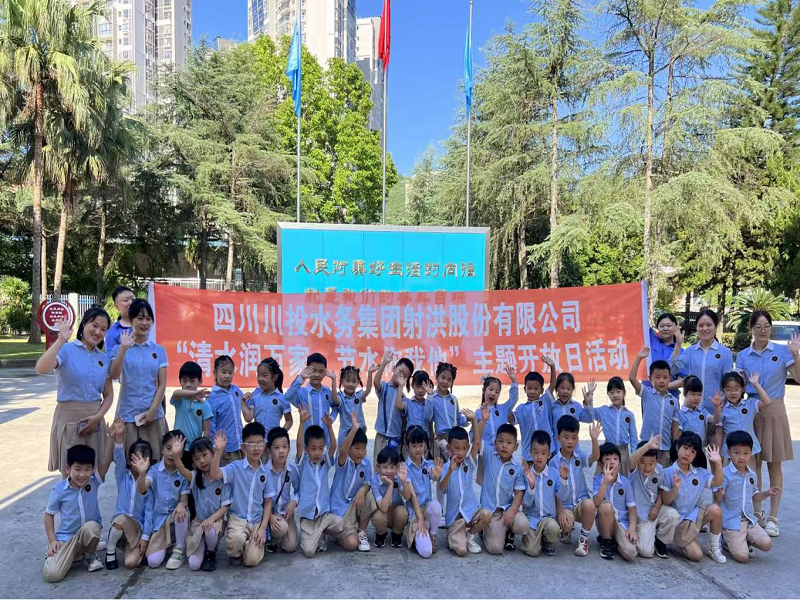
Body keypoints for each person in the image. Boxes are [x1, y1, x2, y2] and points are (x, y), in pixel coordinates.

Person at [735, 309, 799, 536]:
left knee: (774, 463)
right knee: (753, 464)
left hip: (775, 411)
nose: (762, 331)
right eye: (758, 327)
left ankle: (773, 517)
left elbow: (798, 377)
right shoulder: (743, 355)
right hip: (752, 411)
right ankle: (757, 512)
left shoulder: (782, 351)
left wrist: (796, 354)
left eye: (766, 326)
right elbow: (738, 386)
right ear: (751, 329)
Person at [37, 307, 113, 474]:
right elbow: (41, 368)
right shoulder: (66, 350)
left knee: (94, 474)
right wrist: (60, 340)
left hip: (95, 423)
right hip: (69, 422)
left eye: (103, 329)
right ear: (84, 324)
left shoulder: (103, 358)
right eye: (94, 325)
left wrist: (98, 417)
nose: (98, 332)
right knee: (71, 475)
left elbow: (108, 395)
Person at [109, 299, 169, 461]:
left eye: (148, 319)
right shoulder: (119, 348)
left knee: (156, 461)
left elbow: (162, 384)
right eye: (140, 318)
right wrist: (123, 349)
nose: (144, 323)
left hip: (153, 416)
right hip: (128, 414)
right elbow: (114, 374)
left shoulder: (159, 350)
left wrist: (153, 410)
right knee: (130, 463)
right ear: (131, 320)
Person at [43, 444, 112, 582]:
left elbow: (106, 462)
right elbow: (49, 515)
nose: (82, 474)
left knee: (92, 526)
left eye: (87, 469)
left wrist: (111, 438)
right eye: (77, 469)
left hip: (88, 535)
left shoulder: (94, 482)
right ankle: (69, 555)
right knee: (52, 575)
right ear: (68, 469)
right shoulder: (59, 490)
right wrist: (52, 541)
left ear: (92, 469)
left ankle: (90, 555)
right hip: (66, 540)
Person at [208, 424, 270, 567]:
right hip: (238, 518)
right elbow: (215, 474)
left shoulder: (266, 472)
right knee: (236, 540)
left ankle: (249, 545)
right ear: (243, 447)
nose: (256, 448)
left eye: (260, 443)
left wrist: (262, 528)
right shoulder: (235, 467)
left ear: (264, 446)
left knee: (251, 561)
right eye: (251, 444)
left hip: (256, 521)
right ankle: (236, 551)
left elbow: (268, 501)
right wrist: (218, 451)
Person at [660, 432, 725, 563]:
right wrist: (675, 488)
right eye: (685, 448)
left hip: (693, 518)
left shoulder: (700, 473)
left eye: (693, 451)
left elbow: (717, 482)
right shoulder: (667, 473)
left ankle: (714, 547)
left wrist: (718, 462)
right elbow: (665, 500)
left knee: (715, 510)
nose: (688, 453)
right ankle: (675, 540)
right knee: (696, 555)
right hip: (676, 522)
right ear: (677, 447)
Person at [133, 429, 190, 569]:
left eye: (176, 450)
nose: (171, 453)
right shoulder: (154, 470)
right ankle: (170, 544)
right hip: (159, 523)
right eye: (168, 448)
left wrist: (182, 504)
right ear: (162, 449)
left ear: (181, 453)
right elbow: (142, 488)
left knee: (181, 513)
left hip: (175, 519)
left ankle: (179, 549)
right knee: (153, 562)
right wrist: (141, 473)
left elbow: (184, 500)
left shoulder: (182, 473)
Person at [474, 413, 530, 555]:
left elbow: (519, 493)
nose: (504, 445)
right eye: (501, 441)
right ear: (495, 443)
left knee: (523, 525)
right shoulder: (489, 454)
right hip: (491, 512)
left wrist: (512, 511)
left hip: (507, 509)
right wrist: (484, 420)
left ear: (516, 446)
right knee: (495, 549)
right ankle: (485, 530)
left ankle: (509, 531)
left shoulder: (517, 468)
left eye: (509, 443)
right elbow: (477, 441)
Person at [174, 437, 231, 572]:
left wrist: (211, 519)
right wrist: (176, 456)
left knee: (209, 531)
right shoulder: (195, 477)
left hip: (215, 522)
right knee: (194, 565)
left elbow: (225, 507)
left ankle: (211, 551)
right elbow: (183, 471)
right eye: (197, 458)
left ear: (213, 453)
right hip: (198, 523)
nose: (202, 461)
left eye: (205, 455)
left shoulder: (222, 477)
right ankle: (203, 546)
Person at [103, 418, 152, 570]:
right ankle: (110, 550)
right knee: (121, 519)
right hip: (121, 523)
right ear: (130, 460)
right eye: (137, 458)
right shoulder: (122, 476)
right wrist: (119, 437)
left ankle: (129, 546)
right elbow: (118, 459)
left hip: (137, 528)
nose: (141, 462)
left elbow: (149, 512)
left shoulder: (149, 482)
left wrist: (145, 537)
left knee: (130, 563)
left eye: (145, 458)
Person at [438, 422, 491, 556]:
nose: (461, 452)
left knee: (486, 515)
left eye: (464, 448)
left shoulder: (469, 463)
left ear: (467, 448)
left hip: (470, 511)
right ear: (449, 448)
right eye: (457, 448)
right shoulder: (445, 467)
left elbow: (477, 442)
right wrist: (450, 471)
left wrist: (474, 420)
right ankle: (455, 535)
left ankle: (469, 535)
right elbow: (442, 488)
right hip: (455, 518)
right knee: (461, 551)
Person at [550, 415, 601, 556]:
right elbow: (553, 491)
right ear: (558, 438)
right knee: (565, 525)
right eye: (566, 437)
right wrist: (560, 511)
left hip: (580, 503)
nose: (570, 441)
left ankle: (583, 540)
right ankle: (567, 529)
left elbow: (594, 457)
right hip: (565, 506)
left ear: (578, 439)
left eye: (574, 438)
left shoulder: (579, 455)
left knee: (590, 505)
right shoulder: (554, 462)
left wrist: (594, 439)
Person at [295, 409, 343, 557]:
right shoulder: (303, 463)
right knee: (309, 552)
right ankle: (317, 535)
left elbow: (333, 447)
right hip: (308, 518)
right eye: (313, 449)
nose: (317, 453)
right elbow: (298, 445)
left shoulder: (325, 462)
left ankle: (320, 534)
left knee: (339, 523)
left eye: (321, 448)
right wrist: (302, 423)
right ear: (307, 449)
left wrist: (329, 426)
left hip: (323, 516)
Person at [670, 309, 733, 415]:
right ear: (696, 327)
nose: (705, 328)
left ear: (715, 326)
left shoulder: (725, 352)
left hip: (716, 409)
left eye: (709, 325)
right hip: (692, 410)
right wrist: (678, 344)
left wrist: (722, 402)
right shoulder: (690, 351)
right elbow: (673, 369)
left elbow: (728, 382)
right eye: (701, 325)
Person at [627, 436, 679, 559]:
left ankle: (661, 541)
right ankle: (649, 535)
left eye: (651, 463)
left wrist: (656, 507)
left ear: (656, 461)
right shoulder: (634, 470)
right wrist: (648, 446)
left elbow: (661, 490)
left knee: (672, 515)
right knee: (646, 552)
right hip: (642, 516)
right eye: (643, 463)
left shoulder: (660, 470)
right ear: (638, 461)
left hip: (656, 510)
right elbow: (631, 459)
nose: (647, 467)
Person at [519, 431, 568, 557]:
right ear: (530, 452)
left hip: (548, 518)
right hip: (532, 519)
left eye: (543, 453)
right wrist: (531, 486)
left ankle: (547, 542)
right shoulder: (526, 474)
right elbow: (526, 503)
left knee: (553, 528)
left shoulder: (554, 474)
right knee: (532, 551)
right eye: (536, 452)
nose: (539, 457)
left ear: (549, 454)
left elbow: (562, 497)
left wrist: (563, 479)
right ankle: (535, 539)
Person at [330, 415, 375, 552]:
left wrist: (362, 490)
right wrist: (354, 429)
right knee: (351, 544)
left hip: (354, 505)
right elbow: (343, 451)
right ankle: (336, 534)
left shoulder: (366, 463)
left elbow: (369, 482)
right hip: (339, 509)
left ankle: (361, 531)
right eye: (356, 448)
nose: (360, 452)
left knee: (370, 496)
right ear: (349, 448)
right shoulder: (343, 461)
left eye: (363, 448)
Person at [630, 348, 679, 466]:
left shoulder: (674, 401)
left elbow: (675, 426)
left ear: (670, 379)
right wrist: (639, 358)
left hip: (665, 448)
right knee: (645, 473)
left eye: (665, 377)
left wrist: (675, 447)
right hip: (647, 446)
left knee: (663, 475)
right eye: (657, 377)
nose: (661, 381)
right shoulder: (646, 393)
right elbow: (632, 378)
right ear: (650, 378)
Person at [402, 426, 444, 557]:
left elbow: (434, 476)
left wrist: (437, 474)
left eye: (421, 445)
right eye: (414, 446)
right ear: (407, 446)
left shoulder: (428, 464)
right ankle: (415, 534)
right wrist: (420, 518)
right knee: (426, 552)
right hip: (415, 513)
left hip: (427, 508)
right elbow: (412, 495)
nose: (418, 449)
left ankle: (432, 535)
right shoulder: (404, 468)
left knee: (436, 505)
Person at [592, 443, 638, 561]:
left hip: (622, 524)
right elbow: (596, 503)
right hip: (604, 522)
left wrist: (632, 528)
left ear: (620, 464)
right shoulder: (597, 480)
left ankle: (616, 543)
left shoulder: (625, 482)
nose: (612, 462)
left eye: (615, 459)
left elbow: (632, 508)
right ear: (600, 464)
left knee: (631, 553)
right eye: (607, 459)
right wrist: (605, 481)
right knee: (606, 506)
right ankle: (606, 541)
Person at [583, 376, 638, 475]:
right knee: (603, 479)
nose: (615, 395)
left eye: (618, 391)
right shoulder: (604, 411)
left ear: (624, 393)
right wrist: (590, 396)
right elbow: (591, 412)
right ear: (608, 395)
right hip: (607, 451)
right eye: (611, 392)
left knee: (621, 481)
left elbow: (634, 438)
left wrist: (634, 456)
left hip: (623, 453)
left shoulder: (629, 415)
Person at [286, 352, 337, 446]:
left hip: (325, 442)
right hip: (307, 444)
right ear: (307, 370)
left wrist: (332, 418)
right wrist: (301, 378)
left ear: (325, 373)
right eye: (313, 371)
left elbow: (336, 406)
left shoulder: (327, 391)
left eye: (321, 371)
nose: (317, 375)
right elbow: (288, 396)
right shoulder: (301, 392)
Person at [717, 372, 771, 459]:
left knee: (750, 468)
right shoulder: (721, 409)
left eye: (736, 389)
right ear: (723, 390)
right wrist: (718, 451)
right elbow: (719, 431)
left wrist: (755, 384)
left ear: (742, 389)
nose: (732, 393)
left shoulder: (750, 404)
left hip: (749, 448)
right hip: (730, 450)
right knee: (730, 468)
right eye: (728, 389)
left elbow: (767, 402)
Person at [264, 427, 300, 554]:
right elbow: (258, 499)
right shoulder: (264, 472)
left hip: (286, 513)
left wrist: (294, 501)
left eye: (285, 447)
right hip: (269, 513)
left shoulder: (292, 470)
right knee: (282, 528)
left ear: (289, 449)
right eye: (276, 447)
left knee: (291, 546)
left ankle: (278, 534)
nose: (281, 451)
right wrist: (269, 516)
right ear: (269, 450)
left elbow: (299, 490)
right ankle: (272, 540)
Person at [372, 350, 414, 460]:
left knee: (393, 467)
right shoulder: (384, 388)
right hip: (381, 437)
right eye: (400, 371)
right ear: (394, 368)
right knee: (379, 466)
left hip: (395, 439)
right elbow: (376, 383)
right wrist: (384, 364)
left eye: (405, 376)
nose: (401, 376)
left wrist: (401, 387)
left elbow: (399, 405)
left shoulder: (404, 398)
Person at [207, 355, 246, 467]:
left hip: (240, 446)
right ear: (215, 373)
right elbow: (211, 426)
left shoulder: (236, 390)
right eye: (223, 372)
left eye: (230, 372)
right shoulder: (211, 398)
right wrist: (214, 447)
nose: (227, 376)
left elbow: (246, 405)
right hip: (224, 450)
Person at [509, 371, 555, 462]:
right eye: (529, 388)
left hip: (548, 453)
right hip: (529, 455)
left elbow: (553, 384)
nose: (532, 391)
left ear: (542, 390)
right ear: (524, 389)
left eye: (536, 388)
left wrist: (552, 367)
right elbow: (511, 420)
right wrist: (508, 408)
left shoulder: (545, 400)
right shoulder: (521, 408)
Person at [370, 447, 411, 549]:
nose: (389, 471)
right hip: (382, 510)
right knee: (378, 517)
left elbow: (407, 497)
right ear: (377, 467)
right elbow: (383, 508)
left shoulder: (398, 478)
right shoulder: (375, 481)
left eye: (392, 467)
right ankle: (381, 533)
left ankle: (397, 533)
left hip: (395, 510)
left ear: (397, 467)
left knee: (403, 513)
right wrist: (390, 485)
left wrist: (404, 480)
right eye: (385, 467)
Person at [241, 357, 293, 435]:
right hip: (258, 440)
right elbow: (248, 418)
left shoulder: (282, 398)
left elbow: (289, 420)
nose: (260, 379)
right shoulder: (255, 396)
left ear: (274, 377)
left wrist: (280, 434)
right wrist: (242, 401)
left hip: (273, 441)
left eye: (264, 376)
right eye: (258, 375)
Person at [170, 361, 211, 459]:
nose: (188, 385)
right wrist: (193, 394)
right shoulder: (180, 400)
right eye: (184, 381)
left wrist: (202, 448)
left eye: (192, 381)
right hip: (178, 446)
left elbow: (207, 431)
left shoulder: (204, 404)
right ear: (180, 381)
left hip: (195, 450)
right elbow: (175, 393)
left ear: (200, 381)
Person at [543, 358, 593, 436]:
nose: (565, 391)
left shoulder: (576, 406)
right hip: (556, 443)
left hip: (572, 443)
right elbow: (548, 428)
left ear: (573, 390)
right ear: (556, 389)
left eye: (569, 389)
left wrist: (588, 403)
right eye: (562, 388)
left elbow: (589, 418)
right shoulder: (552, 406)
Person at [335, 365, 374, 446]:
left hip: (359, 434)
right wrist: (333, 380)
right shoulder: (340, 397)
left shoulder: (359, 396)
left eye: (354, 381)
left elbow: (368, 390)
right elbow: (334, 398)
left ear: (358, 382)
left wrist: (370, 373)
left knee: (359, 452)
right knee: (343, 453)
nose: (350, 384)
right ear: (341, 381)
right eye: (347, 381)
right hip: (345, 436)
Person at [646, 312, 683, 399]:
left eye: (669, 326)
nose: (665, 329)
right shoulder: (651, 340)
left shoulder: (682, 352)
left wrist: (662, 386)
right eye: (662, 326)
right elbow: (642, 321)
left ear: (675, 327)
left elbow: (682, 380)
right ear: (657, 328)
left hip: (670, 398)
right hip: (649, 395)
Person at [677, 376, 720, 446]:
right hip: (687, 449)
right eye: (693, 394)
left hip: (700, 449)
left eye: (699, 395)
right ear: (685, 393)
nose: (696, 398)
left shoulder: (702, 412)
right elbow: (678, 436)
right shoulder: (680, 414)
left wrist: (717, 407)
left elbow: (716, 420)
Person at [395, 370, 435, 445]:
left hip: (425, 442)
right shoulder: (408, 402)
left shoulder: (429, 402)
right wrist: (401, 386)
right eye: (417, 386)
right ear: (412, 385)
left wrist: (430, 396)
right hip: (411, 441)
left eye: (423, 387)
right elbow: (399, 405)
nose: (420, 390)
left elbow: (429, 417)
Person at [105, 286, 135, 356]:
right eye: (126, 300)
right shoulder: (112, 332)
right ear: (116, 306)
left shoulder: (148, 325)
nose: (131, 303)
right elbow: (111, 359)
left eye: (133, 299)